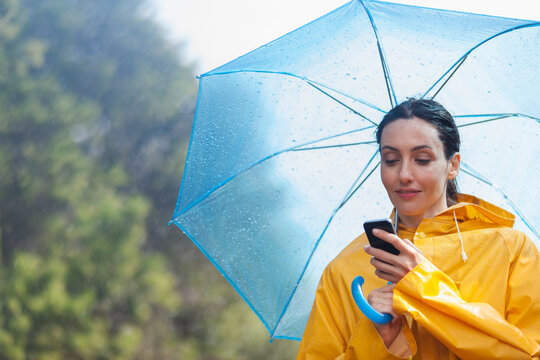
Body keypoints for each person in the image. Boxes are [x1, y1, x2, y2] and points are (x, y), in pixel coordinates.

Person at [296, 98, 540, 359]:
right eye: (390, 160)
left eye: (422, 159)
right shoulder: (343, 270)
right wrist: (380, 339)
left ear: (453, 165)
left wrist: (423, 286)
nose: (403, 174)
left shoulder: (510, 250)